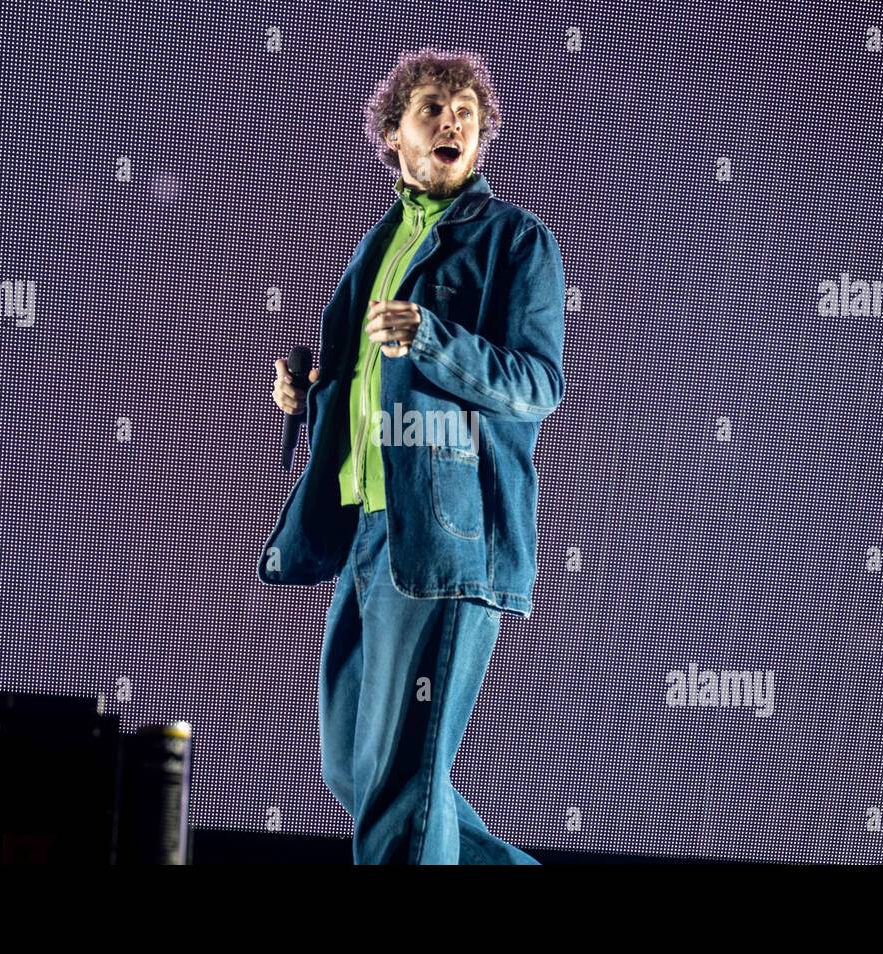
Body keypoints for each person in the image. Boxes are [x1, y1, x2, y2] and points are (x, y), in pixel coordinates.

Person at [259, 47, 566, 864]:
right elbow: (366, 379)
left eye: (466, 110)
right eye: (433, 107)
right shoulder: (381, 244)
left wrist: (435, 338)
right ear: (393, 136)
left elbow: (538, 384)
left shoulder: (514, 241)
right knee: (354, 768)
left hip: (443, 536)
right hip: (369, 529)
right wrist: (311, 392)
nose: (453, 120)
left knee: (398, 783)